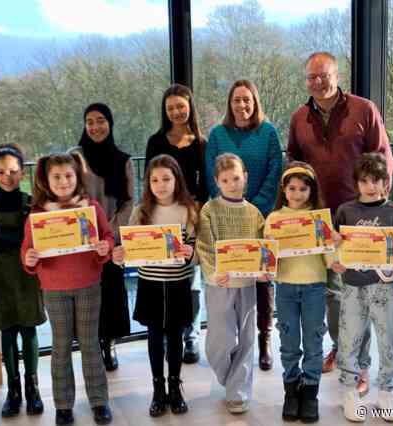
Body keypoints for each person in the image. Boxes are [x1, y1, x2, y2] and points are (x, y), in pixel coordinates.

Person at [287, 51, 393, 378]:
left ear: (337, 75)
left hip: (359, 218)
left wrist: (378, 203)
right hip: (317, 219)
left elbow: (382, 158)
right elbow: (293, 161)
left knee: (360, 291)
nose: (317, 82)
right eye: (311, 77)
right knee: (333, 294)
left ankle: (361, 362)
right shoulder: (298, 118)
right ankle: (342, 347)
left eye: (324, 75)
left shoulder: (363, 109)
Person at [20, 154, 114, 426]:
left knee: (90, 345)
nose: (63, 182)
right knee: (60, 347)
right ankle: (63, 405)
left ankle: (99, 402)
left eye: (69, 176)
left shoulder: (91, 208)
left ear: (78, 177)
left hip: (87, 285)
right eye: (57, 177)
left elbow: (107, 235)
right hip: (53, 288)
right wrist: (28, 259)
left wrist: (104, 247)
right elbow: (27, 248)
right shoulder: (37, 214)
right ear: (46, 180)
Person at [205, 80, 283, 371]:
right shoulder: (217, 134)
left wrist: (255, 207)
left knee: (262, 280)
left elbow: (276, 169)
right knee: (230, 278)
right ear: (230, 103)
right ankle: (229, 341)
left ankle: (263, 338)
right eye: (237, 100)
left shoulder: (268, 132)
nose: (242, 105)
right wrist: (227, 210)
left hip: (258, 216)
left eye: (247, 100)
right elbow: (212, 173)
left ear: (255, 101)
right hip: (225, 219)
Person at [112, 154, 197, 417]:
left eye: (166, 179)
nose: (160, 185)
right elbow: (129, 247)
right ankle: (158, 389)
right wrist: (120, 254)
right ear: (147, 182)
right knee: (154, 337)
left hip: (177, 284)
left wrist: (189, 252)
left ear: (177, 180)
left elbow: (195, 248)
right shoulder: (141, 211)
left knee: (175, 337)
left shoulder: (188, 210)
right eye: (155, 180)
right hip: (149, 283)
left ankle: (175, 387)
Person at [330, 153, 393, 422]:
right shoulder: (345, 210)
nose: (371, 186)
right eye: (365, 181)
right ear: (357, 183)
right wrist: (336, 256)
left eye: (376, 180)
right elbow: (334, 245)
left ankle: (386, 391)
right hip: (353, 286)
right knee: (349, 339)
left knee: (387, 339)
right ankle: (350, 392)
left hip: (384, 287)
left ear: (385, 182)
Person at [0, 144, 46, 418]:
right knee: (7, 332)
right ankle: (13, 391)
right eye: (1, 171)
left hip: (28, 276)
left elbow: (37, 241)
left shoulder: (32, 202)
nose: (8, 176)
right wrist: (17, 237)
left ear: (22, 172)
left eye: (14, 171)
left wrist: (0, 234)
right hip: (0, 278)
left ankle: (33, 389)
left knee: (29, 330)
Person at [196, 153, 265, 414]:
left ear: (245, 177)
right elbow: (203, 246)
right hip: (219, 284)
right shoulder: (209, 210)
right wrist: (214, 274)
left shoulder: (255, 213)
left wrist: (264, 270)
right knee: (220, 340)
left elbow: (263, 249)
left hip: (247, 285)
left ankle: (238, 391)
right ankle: (227, 375)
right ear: (217, 182)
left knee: (247, 338)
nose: (232, 184)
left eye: (236, 178)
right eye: (225, 180)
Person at [145, 84, 208, 363]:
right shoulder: (155, 141)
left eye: (181, 106)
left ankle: (190, 335)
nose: (176, 111)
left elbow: (206, 182)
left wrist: (197, 210)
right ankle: (171, 332)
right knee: (167, 276)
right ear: (165, 111)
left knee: (191, 279)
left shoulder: (201, 143)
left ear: (190, 107)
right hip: (163, 216)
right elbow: (149, 180)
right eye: (170, 107)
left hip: (192, 215)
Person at [268, 162, 335, 423]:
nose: (297, 194)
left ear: (312, 190)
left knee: (313, 341)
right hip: (285, 287)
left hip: (314, 288)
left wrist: (337, 258)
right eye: (292, 188)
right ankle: (291, 391)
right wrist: (266, 267)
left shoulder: (319, 218)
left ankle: (310, 392)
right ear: (283, 190)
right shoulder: (273, 219)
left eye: (303, 189)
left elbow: (329, 254)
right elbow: (268, 257)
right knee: (288, 341)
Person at [69, 103, 132, 371]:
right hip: (81, 240)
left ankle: (109, 343)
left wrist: (109, 235)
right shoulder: (75, 157)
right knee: (85, 295)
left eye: (101, 120)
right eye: (89, 121)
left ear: (110, 123)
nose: (95, 127)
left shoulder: (123, 160)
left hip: (110, 240)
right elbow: (64, 193)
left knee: (111, 293)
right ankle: (90, 344)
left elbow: (128, 202)